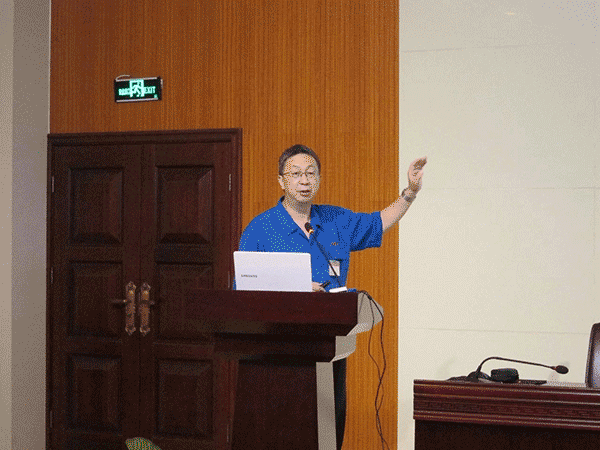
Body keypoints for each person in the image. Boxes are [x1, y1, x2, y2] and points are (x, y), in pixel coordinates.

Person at [237, 144, 426, 449]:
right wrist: (296, 289)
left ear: (319, 179)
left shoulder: (335, 220)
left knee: (328, 433)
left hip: (329, 347)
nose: (304, 180)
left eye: (311, 173)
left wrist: (410, 192)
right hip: (277, 353)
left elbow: (379, 222)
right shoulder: (260, 229)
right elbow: (244, 292)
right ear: (281, 181)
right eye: (295, 174)